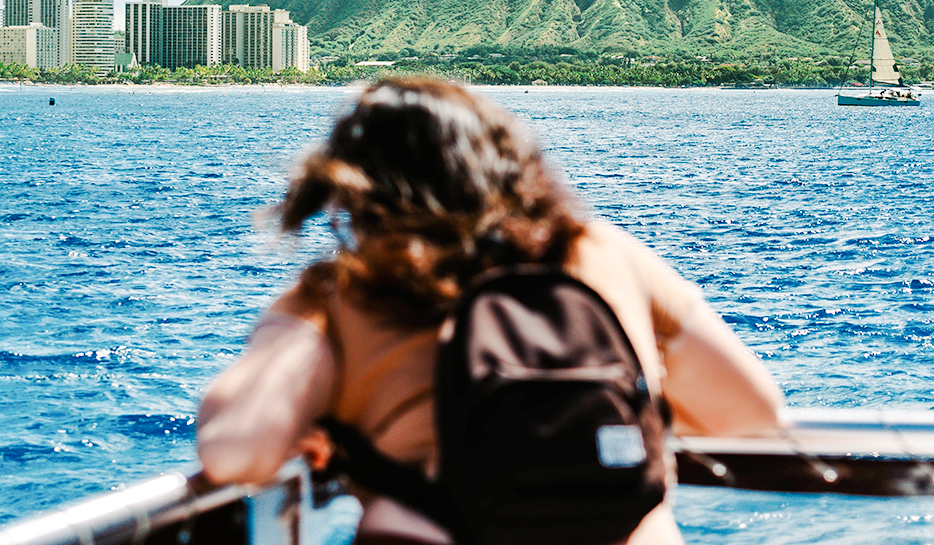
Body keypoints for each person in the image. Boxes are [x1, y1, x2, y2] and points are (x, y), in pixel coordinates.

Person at [197, 77, 785, 545]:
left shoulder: (342, 292)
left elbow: (234, 451)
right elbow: (751, 410)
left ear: (350, 185)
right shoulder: (596, 249)